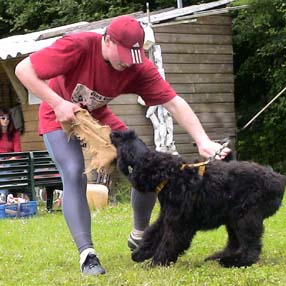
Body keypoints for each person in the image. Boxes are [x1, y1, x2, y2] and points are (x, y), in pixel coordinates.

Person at [15, 15, 231, 275]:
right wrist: (59, 103)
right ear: (106, 40)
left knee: (147, 164)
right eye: (122, 55)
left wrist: (203, 141)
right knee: (73, 173)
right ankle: (88, 255)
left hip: (97, 116)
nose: (126, 63)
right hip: (57, 114)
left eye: (132, 56)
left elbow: (174, 102)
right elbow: (23, 70)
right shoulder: (79, 46)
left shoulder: (136, 66)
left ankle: (140, 234)